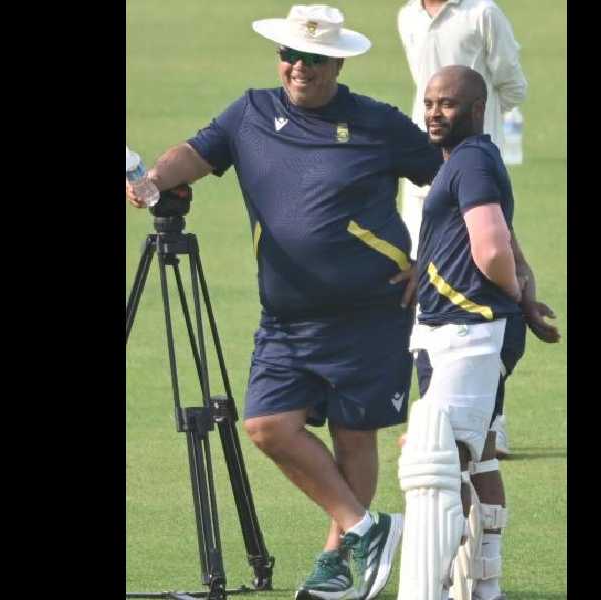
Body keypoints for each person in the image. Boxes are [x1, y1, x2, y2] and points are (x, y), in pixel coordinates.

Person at [125, 5, 443, 600]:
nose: (298, 67)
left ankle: (338, 567)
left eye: (314, 57)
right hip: (287, 317)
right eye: (290, 55)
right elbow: (193, 153)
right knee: (267, 424)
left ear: (338, 61)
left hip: (369, 313)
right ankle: (365, 528)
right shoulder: (248, 113)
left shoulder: (377, 123)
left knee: (355, 437)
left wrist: (434, 259)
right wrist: (152, 183)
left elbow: (453, 179)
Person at [397, 0, 559, 458]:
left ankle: (485, 421)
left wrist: (472, 132)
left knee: (483, 281)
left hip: (466, 152)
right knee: (424, 282)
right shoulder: (407, 16)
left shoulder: (482, 13)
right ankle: (441, 412)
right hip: (432, 158)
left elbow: (513, 85)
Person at [397, 65, 526, 600]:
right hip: (467, 330)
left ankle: (438, 588)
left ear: (476, 110)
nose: (433, 112)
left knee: (435, 461)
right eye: (429, 102)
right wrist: (524, 299)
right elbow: (502, 239)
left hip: (467, 332)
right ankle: (481, 585)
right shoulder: (474, 159)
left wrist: (511, 297)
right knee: (481, 452)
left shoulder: (469, 161)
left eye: (447, 104)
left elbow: (492, 246)